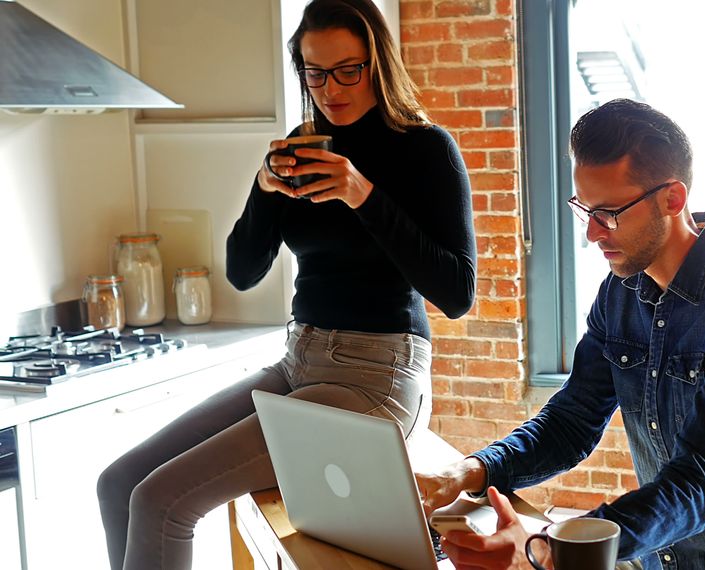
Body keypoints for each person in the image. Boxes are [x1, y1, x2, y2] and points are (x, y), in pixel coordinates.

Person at [96, 1, 477, 568]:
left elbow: (457, 293)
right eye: (314, 71)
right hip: (299, 361)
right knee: (118, 481)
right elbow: (243, 273)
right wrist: (263, 186)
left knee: (161, 500)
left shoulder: (426, 151)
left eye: (348, 70)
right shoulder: (300, 147)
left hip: (378, 373)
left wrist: (363, 196)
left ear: (378, 63)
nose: (331, 88)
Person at [417, 99, 705, 569]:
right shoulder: (619, 294)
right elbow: (571, 421)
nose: (593, 234)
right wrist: (468, 473)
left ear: (672, 199)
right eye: (586, 210)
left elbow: (701, 479)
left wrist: (550, 550)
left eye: (610, 213)